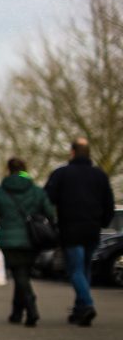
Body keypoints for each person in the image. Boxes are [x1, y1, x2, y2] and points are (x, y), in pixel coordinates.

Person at [45, 137, 115, 327]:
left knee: (75, 270)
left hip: (71, 229)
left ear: (72, 152)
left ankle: (88, 305)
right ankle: (79, 310)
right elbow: (109, 203)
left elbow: (47, 199)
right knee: (84, 269)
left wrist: (51, 222)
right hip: (92, 229)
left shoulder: (61, 174)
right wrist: (103, 222)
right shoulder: (100, 175)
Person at [0, 158, 54, 326]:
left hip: (9, 240)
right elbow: (50, 212)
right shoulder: (36, 191)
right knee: (23, 274)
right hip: (32, 240)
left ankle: (31, 308)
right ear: (24, 169)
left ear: (9, 170)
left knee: (20, 275)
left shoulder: (0, 192)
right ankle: (16, 313)